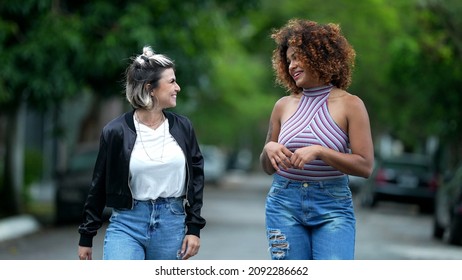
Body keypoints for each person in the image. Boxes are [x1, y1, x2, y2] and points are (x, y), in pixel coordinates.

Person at [259, 19, 374, 260]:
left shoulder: (351, 105)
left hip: (332, 206)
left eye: (298, 57)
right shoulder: (283, 105)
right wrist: (269, 148)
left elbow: (365, 166)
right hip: (283, 204)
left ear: (319, 56)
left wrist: (321, 152)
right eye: (289, 60)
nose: (292, 65)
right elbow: (267, 167)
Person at [77, 46, 206, 260]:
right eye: (172, 81)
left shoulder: (183, 127)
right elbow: (98, 184)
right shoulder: (115, 131)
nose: (178, 88)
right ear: (150, 88)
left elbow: (197, 179)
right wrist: (86, 236)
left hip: (171, 223)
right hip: (127, 223)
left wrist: (194, 229)